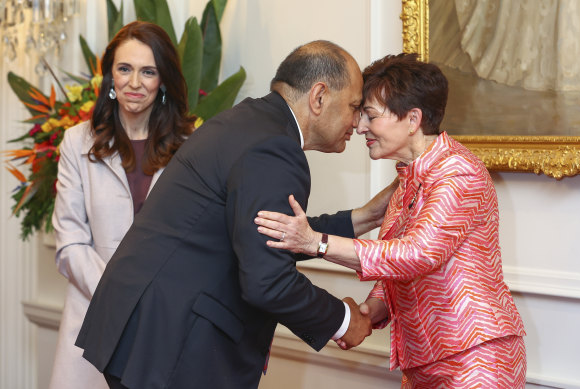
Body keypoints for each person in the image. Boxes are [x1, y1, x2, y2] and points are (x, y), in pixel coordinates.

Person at [75, 40, 393, 389]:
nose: (358, 122)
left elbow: (263, 233)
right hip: (173, 340)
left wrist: (364, 218)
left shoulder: (249, 122)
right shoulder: (275, 148)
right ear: (318, 97)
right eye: (353, 106)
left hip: (146, 326)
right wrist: (345, 320)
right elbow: (267, 281)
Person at [255, 53, 527, 388]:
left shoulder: (458, 172)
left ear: (412, 119)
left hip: (476, 357)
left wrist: (317, 242)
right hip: (422, 363)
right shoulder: (406, 179)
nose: (359, 126)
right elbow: (393, 267)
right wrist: (369, 312)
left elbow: (416, 254)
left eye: (370, 115)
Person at [49, 21, 195, 389]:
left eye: (148, 71)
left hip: (165, 325)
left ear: (163, 80)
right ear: (109, 75)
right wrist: (122, 296)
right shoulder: (76, 142)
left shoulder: (191, 145)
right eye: (124, 69)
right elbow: (70, 242)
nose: (134, 82)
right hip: (92, 316)